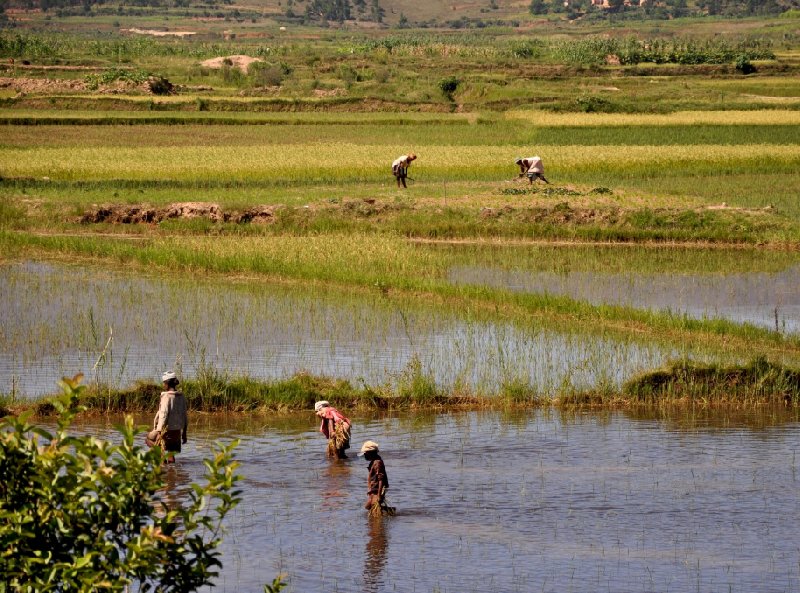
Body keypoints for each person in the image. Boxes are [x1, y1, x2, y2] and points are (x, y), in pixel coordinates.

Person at [145, 371, 188, 464]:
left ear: (167, 383)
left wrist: (160, 432)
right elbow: (184, 415)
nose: (163, 385)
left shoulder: (166, 397)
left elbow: (163, 415)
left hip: (166, 432)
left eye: (164, 383)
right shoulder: (181, 396)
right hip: (176, 432)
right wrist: (184, 433)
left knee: (148, 439)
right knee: (171, 453)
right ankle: (171, 472)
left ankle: (162, 457)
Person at [359, 440, 394, 516]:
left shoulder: (377, 462)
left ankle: (389, 513)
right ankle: (389, 512)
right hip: (374, 490)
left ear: (369, 453)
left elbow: (380, 479)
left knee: (373, 508)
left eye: (365, 454)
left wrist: (379, 495)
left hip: (377, 491)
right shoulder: (373, 461)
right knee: (368, 506)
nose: (364, 456)